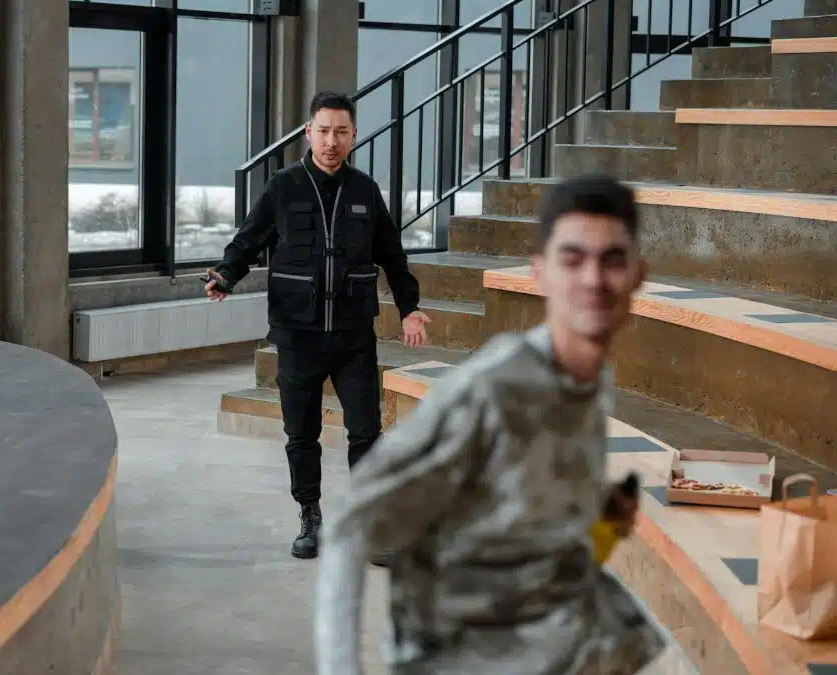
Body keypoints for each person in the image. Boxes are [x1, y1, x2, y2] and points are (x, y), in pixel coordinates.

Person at [314, 175, 668, 675]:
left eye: (612, 259)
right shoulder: (492, 389)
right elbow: (351, 527)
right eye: (573, 259)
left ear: (638, 274)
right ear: (539, 274)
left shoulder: (590, 383)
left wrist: (604, 527)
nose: (593, 279)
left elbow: (528, 546)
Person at [204, 91, 431, 560]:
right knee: (301, 434)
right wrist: (226, 274)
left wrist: (409, 306)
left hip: (352, 338)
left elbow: (392, 254)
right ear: (309, 133)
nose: (332, 141)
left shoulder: (365, 190)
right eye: (323, 131)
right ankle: (310, 516)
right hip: (297, 335)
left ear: (353, 136)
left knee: (366, 432)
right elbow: (249, 240)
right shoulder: (283, 186)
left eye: (341, 132)